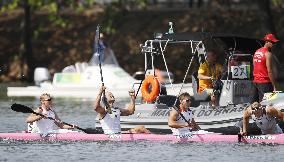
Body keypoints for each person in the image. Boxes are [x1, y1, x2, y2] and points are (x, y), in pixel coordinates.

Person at [252, 33, 279, 103]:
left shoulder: (256, 52)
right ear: (266, 42)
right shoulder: (268, 54)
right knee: (267, 105)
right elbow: (269, 71)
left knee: (255, 105)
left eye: (274, 43)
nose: (273, 44)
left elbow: (254, 66)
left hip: (255, 82)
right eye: (272, 42)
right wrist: (274, 86)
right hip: (265, 83)